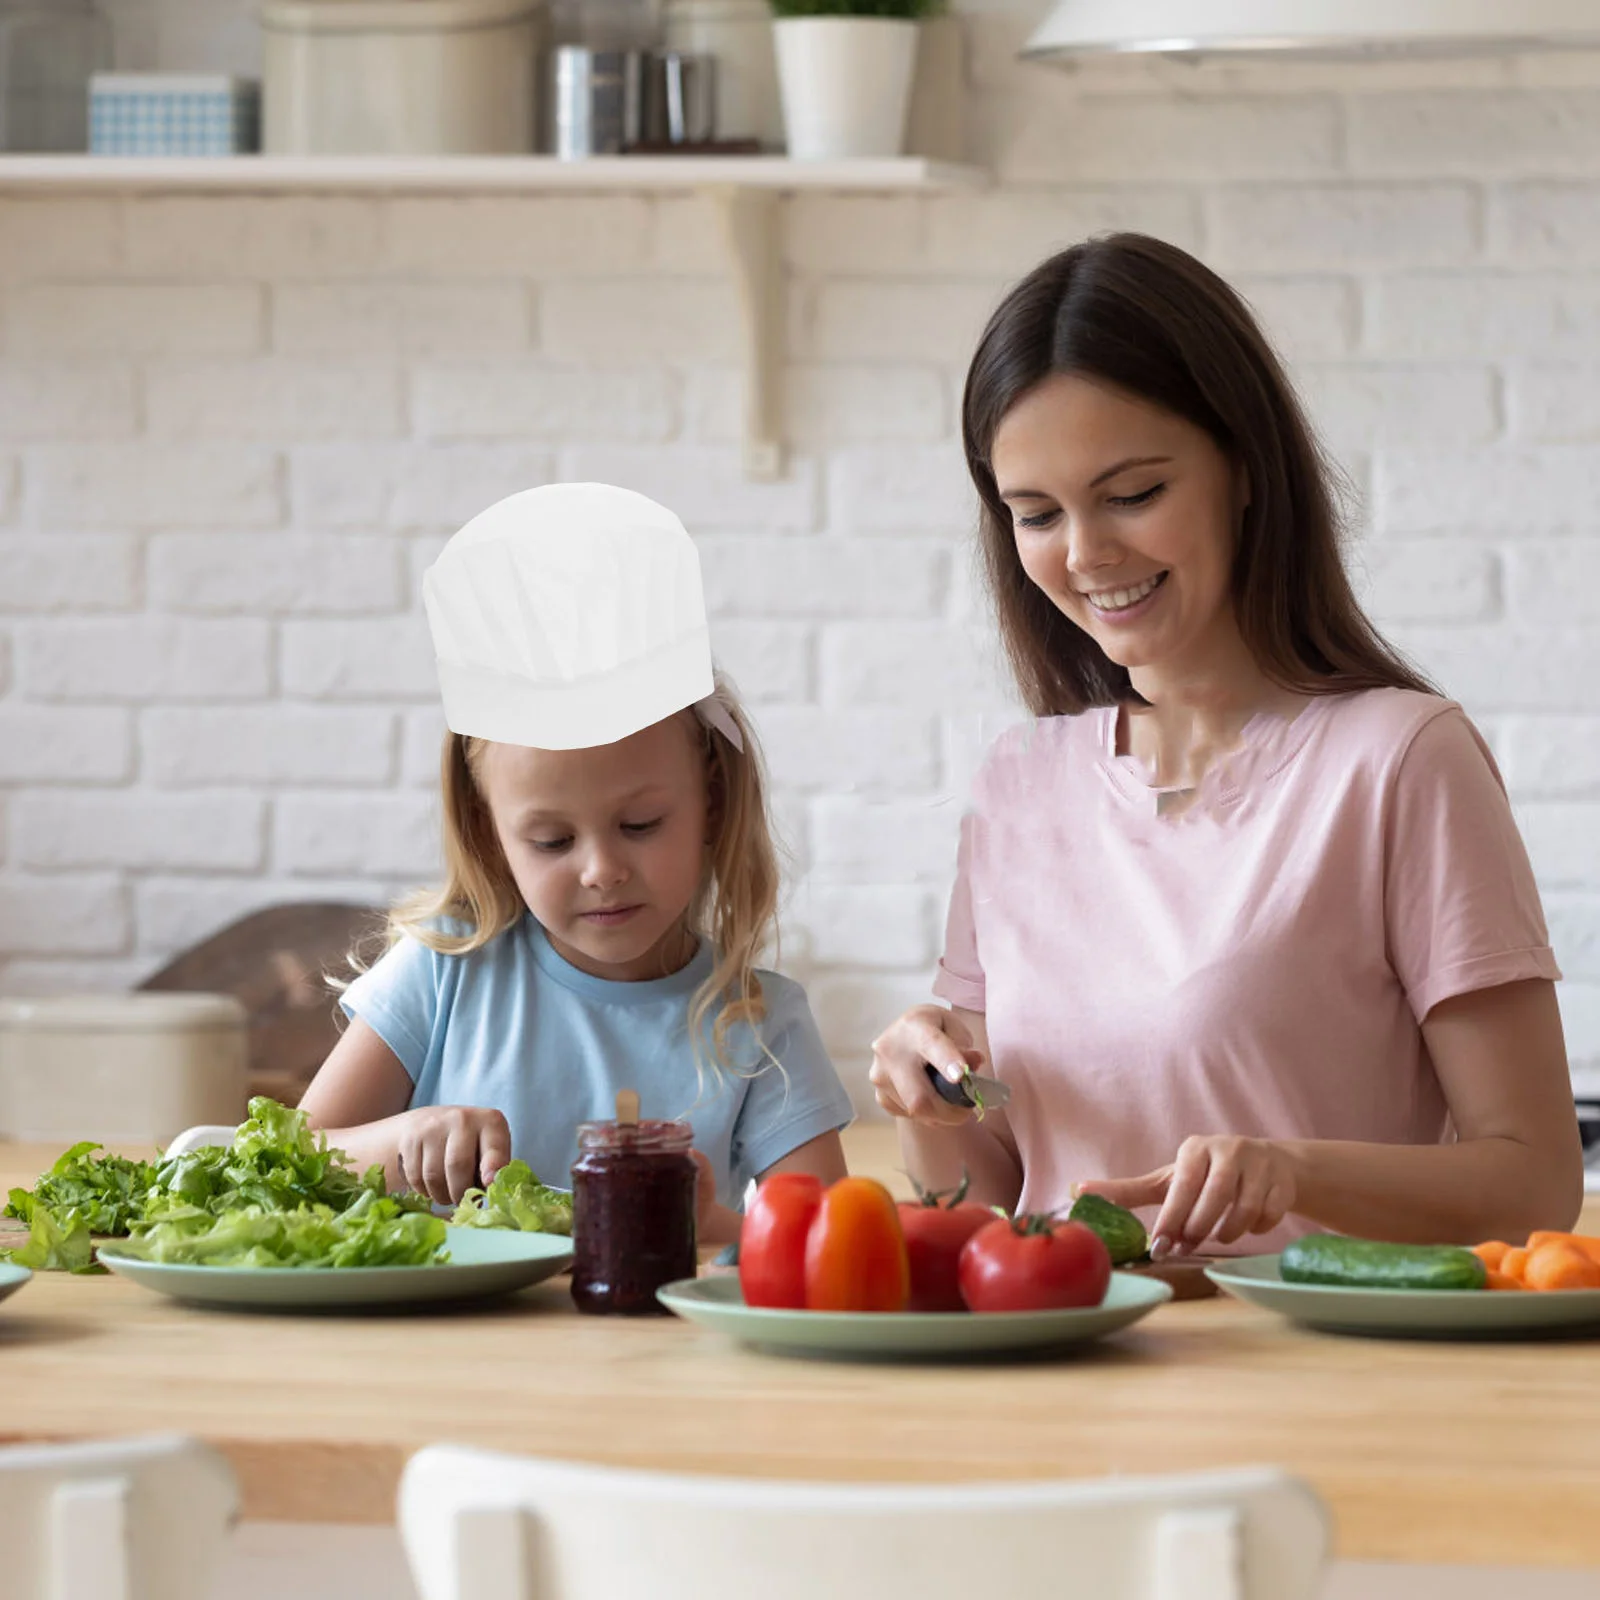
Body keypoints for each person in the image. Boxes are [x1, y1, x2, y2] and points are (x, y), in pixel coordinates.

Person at [868, 233, 1582, 1259]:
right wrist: (920, 1099)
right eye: (1034, 514)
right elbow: (991, 1204)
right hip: (1062, 1375)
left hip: (1318, 1384)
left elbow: (1534, 1179)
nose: (1083, 556)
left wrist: (1293, 1171)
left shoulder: (1401, 759)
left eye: (1132, 494)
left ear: (1244, 468)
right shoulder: (1023, 782)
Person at [300, 484, 851, 1245]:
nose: (600, 869)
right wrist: (398, 1143)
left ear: (713, 803)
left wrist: (711, 1224)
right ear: (489, 833)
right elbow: (287, 1164)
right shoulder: (443, 972)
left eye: (641, 824)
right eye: (552, 841)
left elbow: (826, 1246)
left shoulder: (761, 1028)